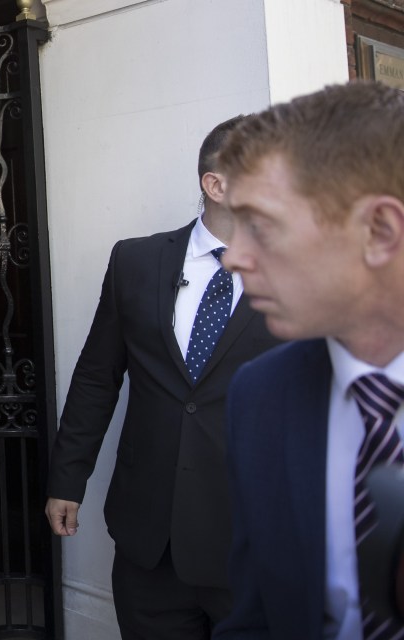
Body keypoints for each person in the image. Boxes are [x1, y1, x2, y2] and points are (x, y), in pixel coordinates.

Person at [44, 116, 280, 638]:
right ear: (215, 184)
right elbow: (96, 378)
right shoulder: (137, 261)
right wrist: (67, 479)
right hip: (150, 542)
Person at [214, 80, 404, 639]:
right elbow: (255, 619)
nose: (232, 256)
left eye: (260, 225)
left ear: (379, 231)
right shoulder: (261, 395)